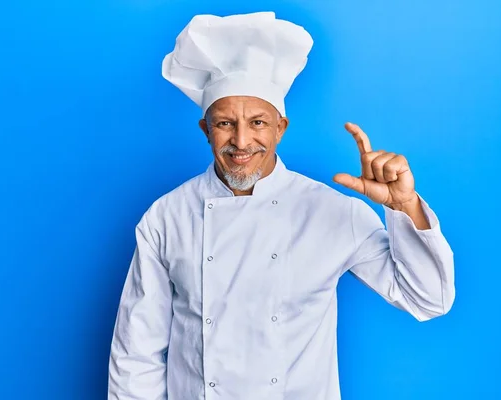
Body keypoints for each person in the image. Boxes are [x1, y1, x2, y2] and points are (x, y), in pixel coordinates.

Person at [108, 11, 455, 400]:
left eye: (257, 122)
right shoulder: (166, 217)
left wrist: (403, 206)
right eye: (224, 123)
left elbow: (429, 299)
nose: (241, 141)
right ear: (206, 129)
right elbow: (136, 353)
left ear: (280, 128)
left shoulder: (334, 212)